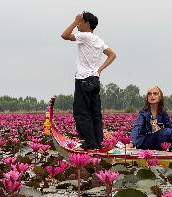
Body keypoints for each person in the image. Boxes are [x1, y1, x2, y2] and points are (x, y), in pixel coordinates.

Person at [61, 12, 116, 150]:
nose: (79, 24)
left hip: (84, 79)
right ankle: (97, 141)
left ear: (87, 24)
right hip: (94, 79)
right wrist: (100, 69)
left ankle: (89, 143)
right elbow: (112, 54)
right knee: (95, 113)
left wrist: (74, 21)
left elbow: (64, 35)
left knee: (81, 112)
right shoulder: (98, 40)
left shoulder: (84, 36)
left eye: (81, 22)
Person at [131, 85, 172, 150]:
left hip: (159, 138)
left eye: (155, 93)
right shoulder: (143, 112)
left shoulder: (162, 111)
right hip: (145, 140)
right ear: (147, 98)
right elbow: (137, 127)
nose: (152, 95)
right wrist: (132, 143)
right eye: (149, 94)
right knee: (165, 132)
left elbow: (169, 127)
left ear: (160, 97)